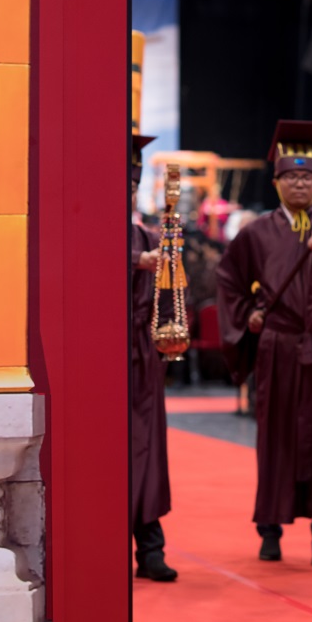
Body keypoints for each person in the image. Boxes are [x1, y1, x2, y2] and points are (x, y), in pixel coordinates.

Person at [216, 120, 312, 566]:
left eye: (308, 177)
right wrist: (248, 316)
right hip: (278, 349)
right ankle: (270, 528)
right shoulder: (255, 233)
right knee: (275, 438)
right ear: (276, 182)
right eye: (291, 176)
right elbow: (229, 281)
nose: (299, 183)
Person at [130, 29, 176, 582]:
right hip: (105, 359)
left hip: (144, 356)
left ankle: (150, 545)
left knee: (149, 448)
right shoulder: (107, 234)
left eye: (133, 180)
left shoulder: (148, 231)